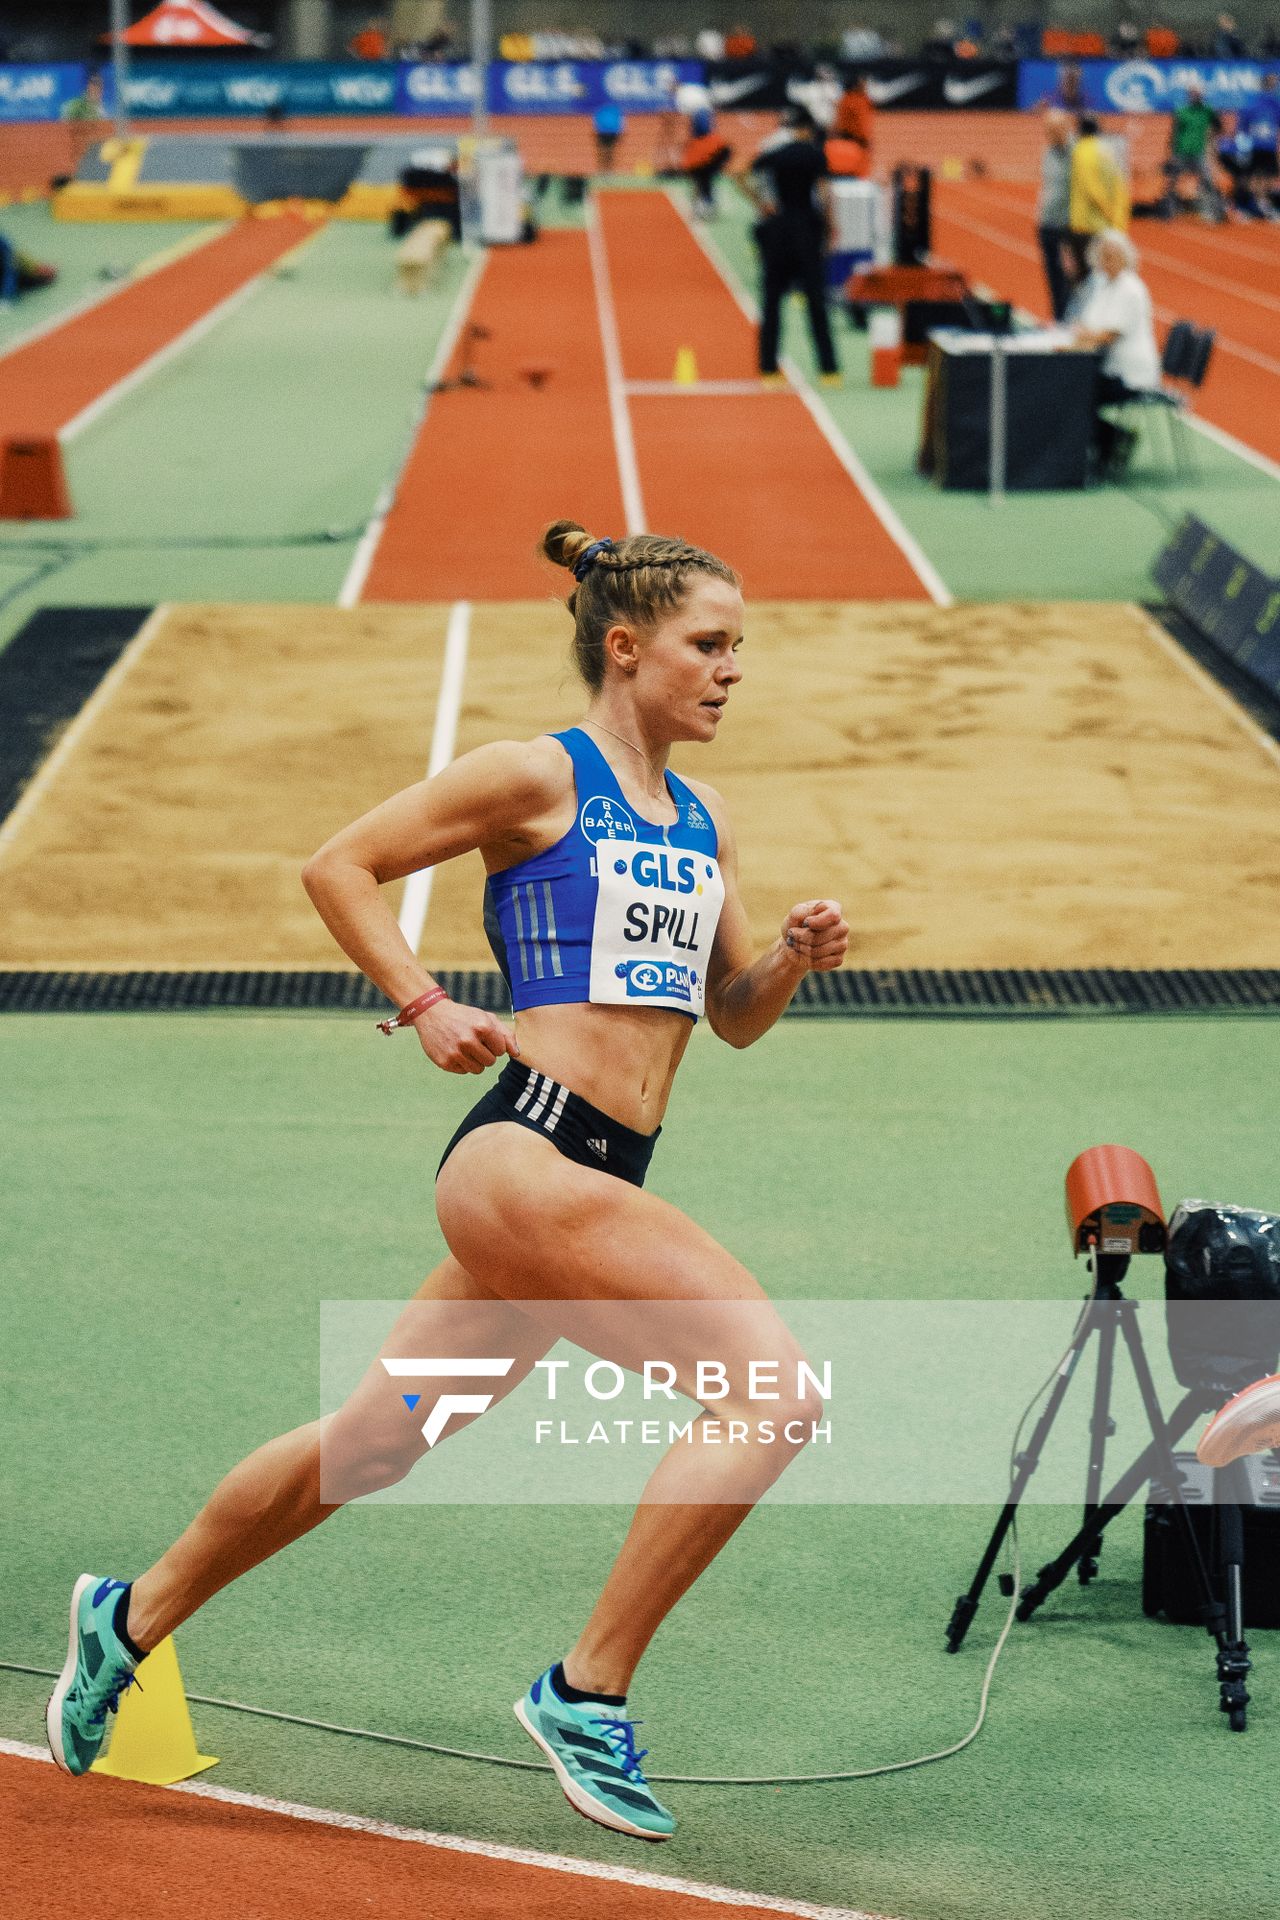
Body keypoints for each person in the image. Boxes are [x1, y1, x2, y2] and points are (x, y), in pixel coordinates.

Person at [44, 521, 849, 1844]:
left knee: (369, 1445)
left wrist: (792, 964)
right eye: (710, 645)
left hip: (584, 1183)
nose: (731, 671)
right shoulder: (534, 775)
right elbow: (337, 865)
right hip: (524, 1158)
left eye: (738, 649)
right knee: (772, 1392)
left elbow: (732, 1013)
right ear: (627, 646)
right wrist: (421, 1001)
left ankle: (127, 1616)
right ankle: (585, 1692)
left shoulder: (702, 823)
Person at [740, 106, 841, 388]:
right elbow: (823, 191)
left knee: (772, 302)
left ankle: (769, 370)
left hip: (778, 229)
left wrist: (761, 204)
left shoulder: (776, 154)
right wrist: (831, 226)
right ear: (808, 129)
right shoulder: (814, 154)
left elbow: (741, 174)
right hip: (807, 228)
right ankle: (829, 371)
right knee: (816, 302)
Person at [1071, 228, 1160, 477]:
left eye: (1112, 256)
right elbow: (1088, 326)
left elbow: (1108, 335)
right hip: (1109, 369)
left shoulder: (1130, 289)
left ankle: (1112, 440)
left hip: (1130, 374)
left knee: (1075, 395)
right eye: (1102, 256)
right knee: (1071, 390)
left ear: (1125, 258)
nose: (1106, 262)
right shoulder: (1104, 287)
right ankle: (1110, 440)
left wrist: (1081, 335)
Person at [1067, 114, 1129, 283]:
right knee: (1104, 275)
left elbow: (1090, 186)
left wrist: (1106, 209)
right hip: (1106, 225)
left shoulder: (1081, 150)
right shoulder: (1108, 151)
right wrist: (1116, 219)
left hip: (1085, 224)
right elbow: (1119, 184)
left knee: (1084, 277)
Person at [1163, 82, 1224, 219]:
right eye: (1193, 93)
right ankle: (1168, 211)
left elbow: (1219, 127)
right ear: (1189, 95)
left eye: (1198, 93)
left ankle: (1213, 212)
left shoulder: (1208, 111)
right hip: (1181, 152)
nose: (1196, 96)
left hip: (1199, 152)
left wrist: (1211, 139)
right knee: (1172, 182)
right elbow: (1174, 133)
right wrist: (1171, 153)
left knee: (1208, 181)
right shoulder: (1181, 111)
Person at [1036, 107, 1075, 320]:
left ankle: (1069, 320)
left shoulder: (1076, 153)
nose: (1048, 134)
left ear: (1066, 128)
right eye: (1047, 129)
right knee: (1053, 280)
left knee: (1069, 280)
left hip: (1067, 227)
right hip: (1046, 224)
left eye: (1053, 129)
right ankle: (1059, 318)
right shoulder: (1048, 152)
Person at [1244, 72, 1280, 217]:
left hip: (1268, 145)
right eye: (1271, 83)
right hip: (1257, 145)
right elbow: (1245, 125)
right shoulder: (1257, 103)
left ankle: (1262, 202)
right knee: (1256, 175)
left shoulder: (1275, 104)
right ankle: (1254, 203)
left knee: (1267, 176)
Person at [593, 100, 625, 174]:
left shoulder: (614, 110)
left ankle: (608, 170)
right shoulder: (603, 109)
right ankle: (603, 170)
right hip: (604, 133)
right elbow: (622, 122)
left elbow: (621, 122)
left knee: (608, 152)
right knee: (605, 152)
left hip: (609, 133)